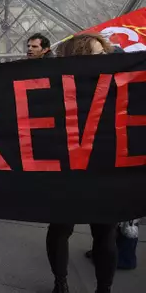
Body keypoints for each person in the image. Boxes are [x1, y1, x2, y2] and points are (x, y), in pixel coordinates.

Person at [47, 33, 117, 293]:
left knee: (104, 235)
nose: (103, 59)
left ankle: (103, 289)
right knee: (62, 229)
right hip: (69, 171)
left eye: (103, 54)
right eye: (97, 55)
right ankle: (61, 282)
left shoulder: (116, 84)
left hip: (103, 171)